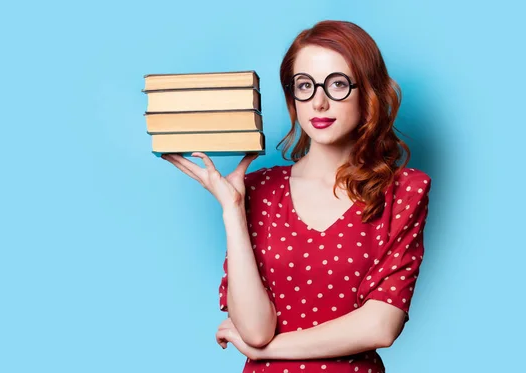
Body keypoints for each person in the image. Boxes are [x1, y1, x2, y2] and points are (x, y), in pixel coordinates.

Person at [162, 20, 432, 373]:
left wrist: (269, 350)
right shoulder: (257, 189)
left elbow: (380, 326)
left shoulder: (404, 191)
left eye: (337, 84)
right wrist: (232, 209)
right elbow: (255, 331)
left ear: (368, 94)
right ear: (293, 98)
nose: (319, 102)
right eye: (305, 85)